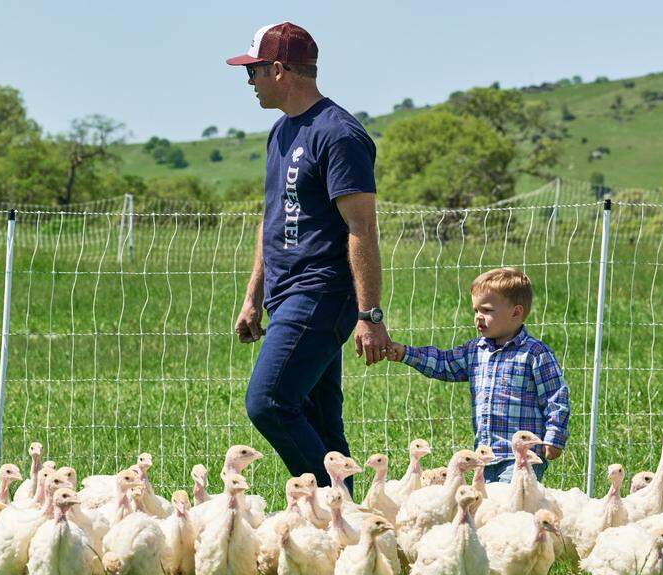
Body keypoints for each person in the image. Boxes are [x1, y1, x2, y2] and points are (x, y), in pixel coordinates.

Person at [227, 22, 390, 489]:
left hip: (322, 292)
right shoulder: (280, 132)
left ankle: (324, 506)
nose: (250, 81)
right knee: (321, 423)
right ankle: (348, 539)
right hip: (285, 294)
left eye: (253, 70)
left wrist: (369, 313)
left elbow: (362, 227)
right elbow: (273, 217)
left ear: (279, 69)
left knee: (269, 401)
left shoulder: (339, 134)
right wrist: (253, 296)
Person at [385, 268, 570, 482]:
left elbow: (556, 397)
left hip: (521, 458)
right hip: (483, 457)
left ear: (516, 312)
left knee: (512, 510)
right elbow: (444, 363)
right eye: (475, 310)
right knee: (486, 510)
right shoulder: (475, 351)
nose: (478, 317)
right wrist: (407, 353)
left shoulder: (535, 353)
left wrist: (554, 438)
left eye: (487, 310)